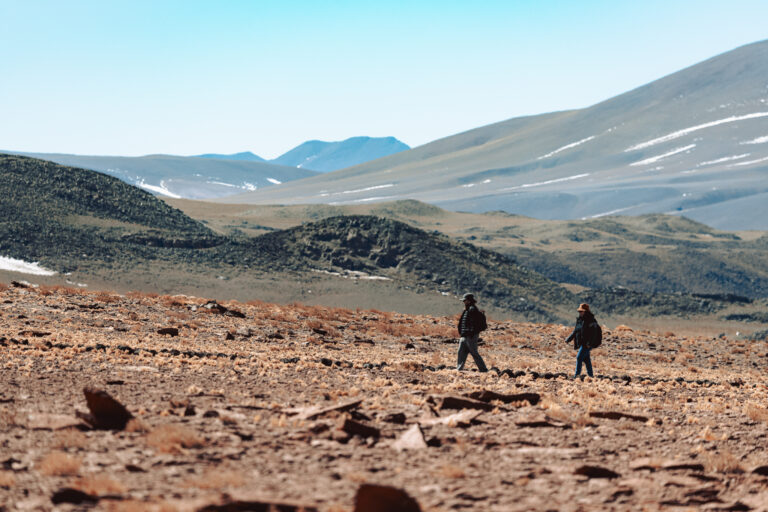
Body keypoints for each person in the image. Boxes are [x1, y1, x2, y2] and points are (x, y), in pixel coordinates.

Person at [456, 293, 488, 372]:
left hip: (470, 336)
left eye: (465, 300)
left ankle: (483, 369)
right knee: (461, 352)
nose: (463, 302)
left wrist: (470, 333)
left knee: (474, 352)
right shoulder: (467, 310)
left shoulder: (473, 310)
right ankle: (459, 369)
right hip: (464, 335)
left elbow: (474, 324)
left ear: (469, 301)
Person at [565, 303, 599, 378]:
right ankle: (591, 376)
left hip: (587, 344)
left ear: (586, 311)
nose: (580, 313)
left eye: (581, 311)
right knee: (587, 360)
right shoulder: (580, 320)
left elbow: (594, 333)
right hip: (582, 343)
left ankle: (577, 376)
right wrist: (569, 339)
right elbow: (576, 330)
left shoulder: (591, 320)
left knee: (579, 357)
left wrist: (589, 344)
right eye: (579, 311)